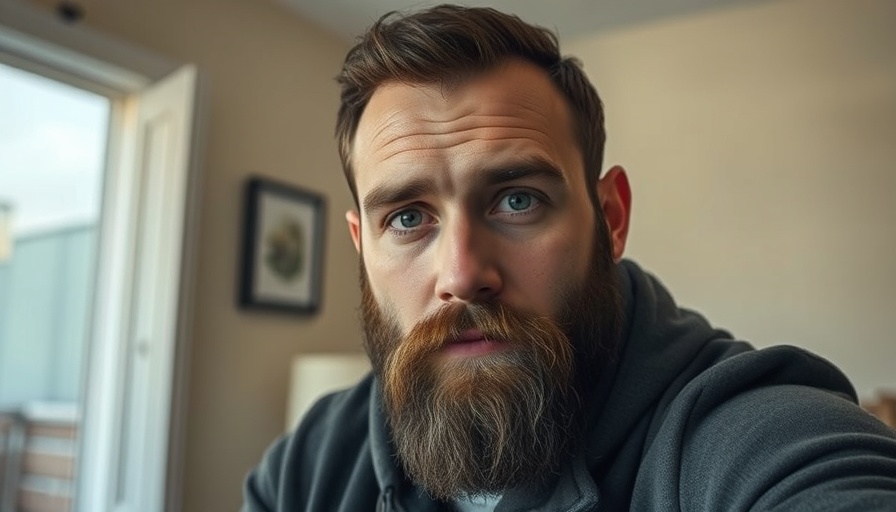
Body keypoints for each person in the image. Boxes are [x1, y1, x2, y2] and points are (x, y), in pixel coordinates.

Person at [242, 5, 896, 511]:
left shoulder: (752, 440)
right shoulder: (308, 469)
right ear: (362, 246)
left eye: (517, 200)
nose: (464, 273)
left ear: (610, 219)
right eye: (408, 218)